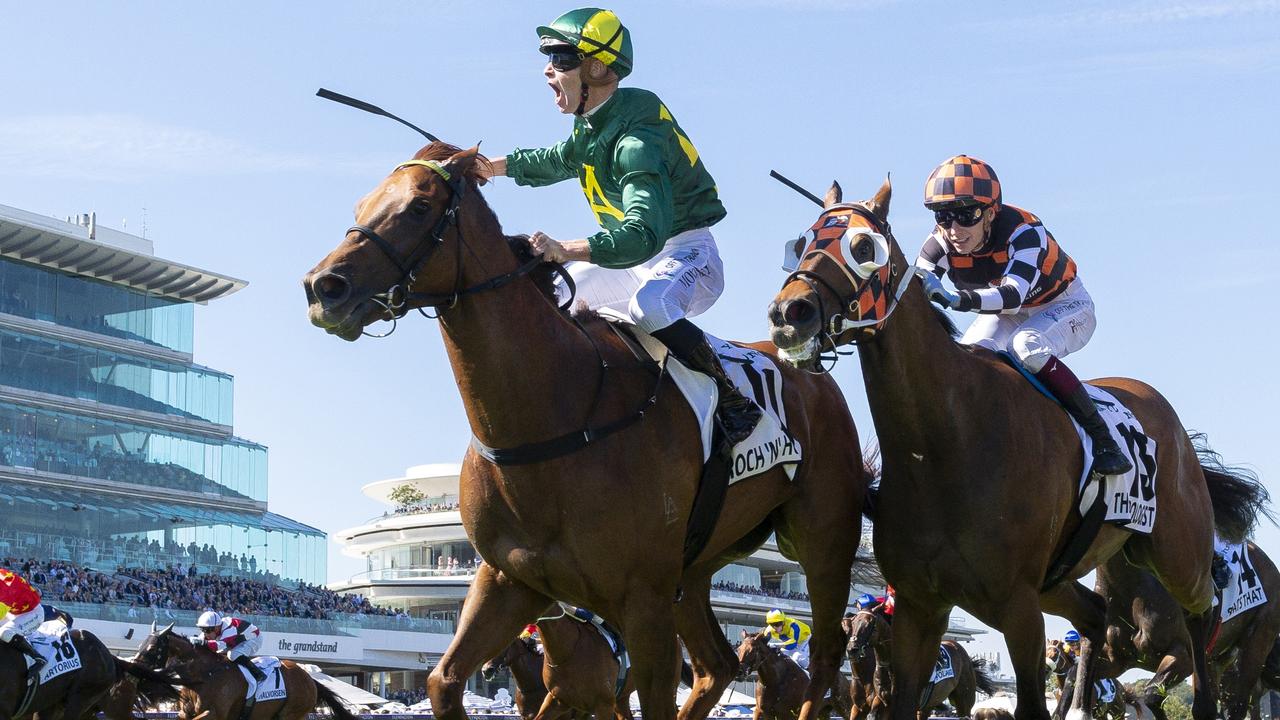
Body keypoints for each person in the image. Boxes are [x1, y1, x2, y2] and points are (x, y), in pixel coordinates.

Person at [481, 7, 762, 446]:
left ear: (597, 68)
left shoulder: (636, 141)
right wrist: (487, 166)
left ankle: (732, 399)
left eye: (562, 58)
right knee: (550, 298)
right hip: (632, 260)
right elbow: (558, 160)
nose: (548, 69)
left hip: (687, 253)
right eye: (548, 57)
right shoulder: (595, 121)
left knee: (650, 308)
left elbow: (642, 236)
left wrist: (565, 248)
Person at [914, 155, 1131, 476]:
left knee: (1026, 346)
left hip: (1064, 305)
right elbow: (913, 294)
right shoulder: (939, 244)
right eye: (944, 216)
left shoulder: (1025, 232)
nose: (955, 230)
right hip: (1007, 312)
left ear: (990, 213)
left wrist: (954, 298)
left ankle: (1104, 439)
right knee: (968, 359)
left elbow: (1013, 295)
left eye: (966, 215)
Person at [193, 610, 266, 682]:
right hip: (238, 640)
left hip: (254, 638)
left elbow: (219, 645)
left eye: (207, 630)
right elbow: (199, 644)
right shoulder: (213, 628)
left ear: (216, 628)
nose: (205, 634)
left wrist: (201, 642)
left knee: (233, 655)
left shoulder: (229, 629)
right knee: (218, 653)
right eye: (202, 629)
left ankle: (258, 674)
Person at [0, 568, 46, 675]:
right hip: (14, 611)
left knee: (5, 632)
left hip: (32, 613)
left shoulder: (6, 588)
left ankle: (37, 658)